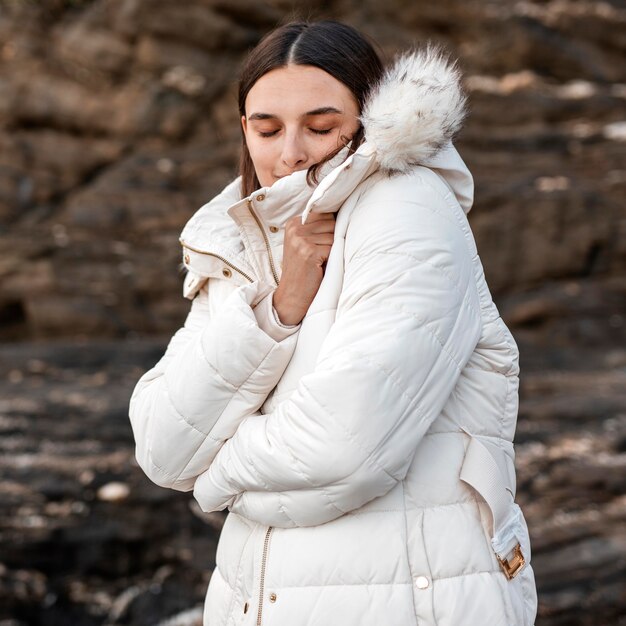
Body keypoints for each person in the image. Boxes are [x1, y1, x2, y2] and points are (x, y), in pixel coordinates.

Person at [129, 19, 538, 626]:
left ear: (368, 120)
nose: (291, 151)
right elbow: (162, 447)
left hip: (404, 601)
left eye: (321, 127)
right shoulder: (237, 236)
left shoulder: (409, 210)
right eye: (267, 129)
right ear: (244, 129)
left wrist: (213, 476)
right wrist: (277, 311)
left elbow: (343, 449)